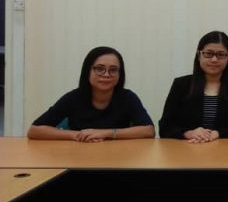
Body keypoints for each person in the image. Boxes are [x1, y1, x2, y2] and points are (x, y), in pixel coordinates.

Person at [27, 46, 155, 141]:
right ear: (87, 71)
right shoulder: (73, 98)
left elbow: (148, 130)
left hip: (118, 158)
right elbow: (34, 130)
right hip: (79, 158)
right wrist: (76, 135)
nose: (106, 75)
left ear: (119, 75)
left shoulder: (127, 97)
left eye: (113, 70)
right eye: (99, 69)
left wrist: (106, 133)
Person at [159, 31, 228, 142]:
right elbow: (165, 127)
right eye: (208, 54)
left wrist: (218, 133)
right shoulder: (181, 84)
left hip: (225, 147)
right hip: (188, 147)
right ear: (199, 55)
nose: (214, 59)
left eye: (221, 55)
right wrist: (188, 133)